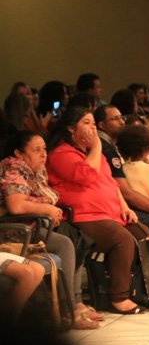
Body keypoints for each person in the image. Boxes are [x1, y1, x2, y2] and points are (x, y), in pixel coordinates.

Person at [46, 106, 148, 315]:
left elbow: (111, 183)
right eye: (86, 123)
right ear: (71, 129)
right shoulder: (61, 154)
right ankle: (119, 297)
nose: (92, 128)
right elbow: (86, 175)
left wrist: (124, 206)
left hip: (108, 212)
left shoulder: (94, 154)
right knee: (122, 239)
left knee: (142, 232)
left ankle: (142, 291)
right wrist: (97, 147)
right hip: (82, 217)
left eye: (93, 123)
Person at [0, 130, 103, 329]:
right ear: (19, 153)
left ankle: (75, 303)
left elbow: (37, 199)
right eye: (36, 150)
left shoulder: (35, 172)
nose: (43, 154)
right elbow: (17, 206)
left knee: (78, 239)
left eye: (44, 149)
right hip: (16, 231)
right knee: (65, 243)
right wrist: (46, 208)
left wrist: (47, 208)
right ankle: (69, 310)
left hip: (35, 225)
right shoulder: (14, 170)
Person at [95, 104, 149, 259]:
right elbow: (127, 192)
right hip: (117, 207)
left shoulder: (112, 148)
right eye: (115, 119)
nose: (122, 122)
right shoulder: (105, 148)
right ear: (101, 125)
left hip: (124, 204)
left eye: (121, 118)